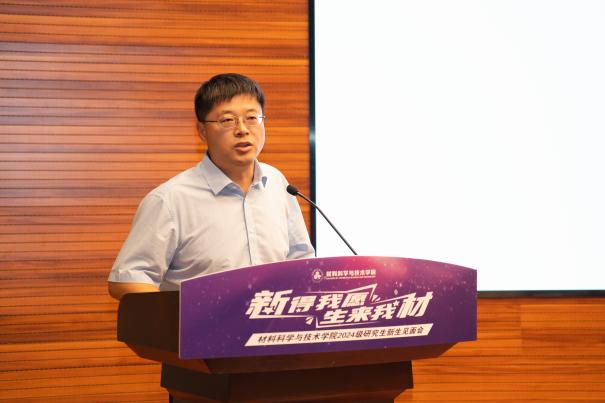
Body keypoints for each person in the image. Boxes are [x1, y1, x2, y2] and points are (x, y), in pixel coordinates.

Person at [108, 73, 315, 300]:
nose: (242, 129)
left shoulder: (278, 184)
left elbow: (300, 261)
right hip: (203, 323)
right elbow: (127, 280)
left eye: (252, 118)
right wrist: (187, 313)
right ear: (202, 131)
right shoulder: (170, 201)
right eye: (227, 120)